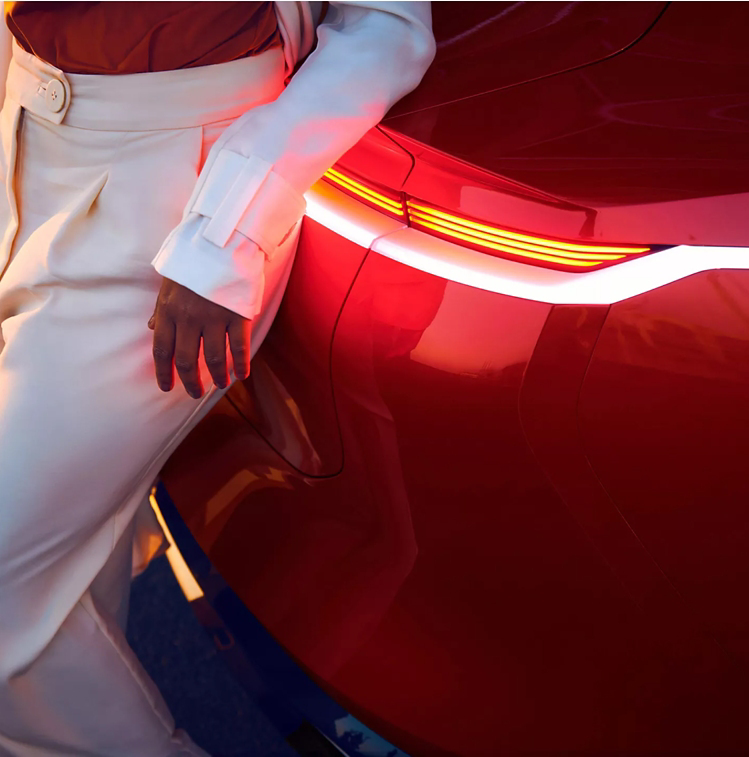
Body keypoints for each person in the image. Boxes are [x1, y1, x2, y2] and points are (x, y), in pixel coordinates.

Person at [0, 2, 435, 755]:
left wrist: (227, 223)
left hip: (172, 191)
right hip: (23, 128)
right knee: (52, 582)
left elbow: (388, 28)